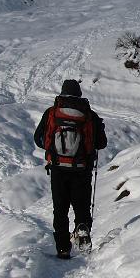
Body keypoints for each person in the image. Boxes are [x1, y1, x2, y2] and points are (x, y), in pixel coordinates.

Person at [34, 79, 107, 258]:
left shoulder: (52, 113)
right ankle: (82, 229)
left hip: (58, 169)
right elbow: (101, 143)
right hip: (82, 169)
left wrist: (55, 150)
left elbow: (39, 139)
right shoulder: (90, 115)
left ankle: (63, 248)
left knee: (60, 209)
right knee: (82, 206)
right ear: (79, 94)